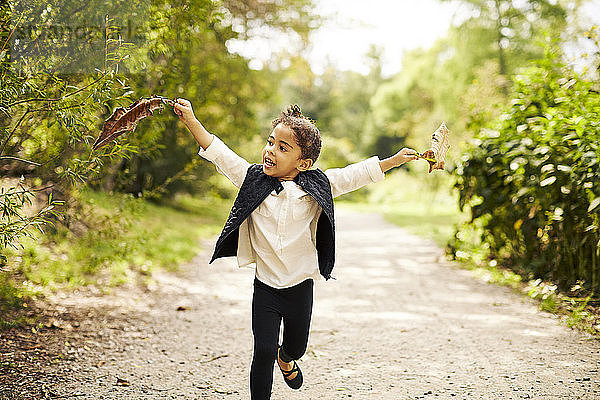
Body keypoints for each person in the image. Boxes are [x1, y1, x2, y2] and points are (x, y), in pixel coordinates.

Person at [173, 98, 419, 400]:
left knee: (296, 346)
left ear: (303, 163)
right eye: (270, 142)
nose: (270, 150)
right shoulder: (253, 179)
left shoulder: (317, 186)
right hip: (265, 286)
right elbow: (220, 153)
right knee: (262, 349)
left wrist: (393, 161)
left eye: (282, 148)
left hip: (300, 286)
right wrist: (190, 120)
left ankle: (286, 359)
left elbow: (353, 174)